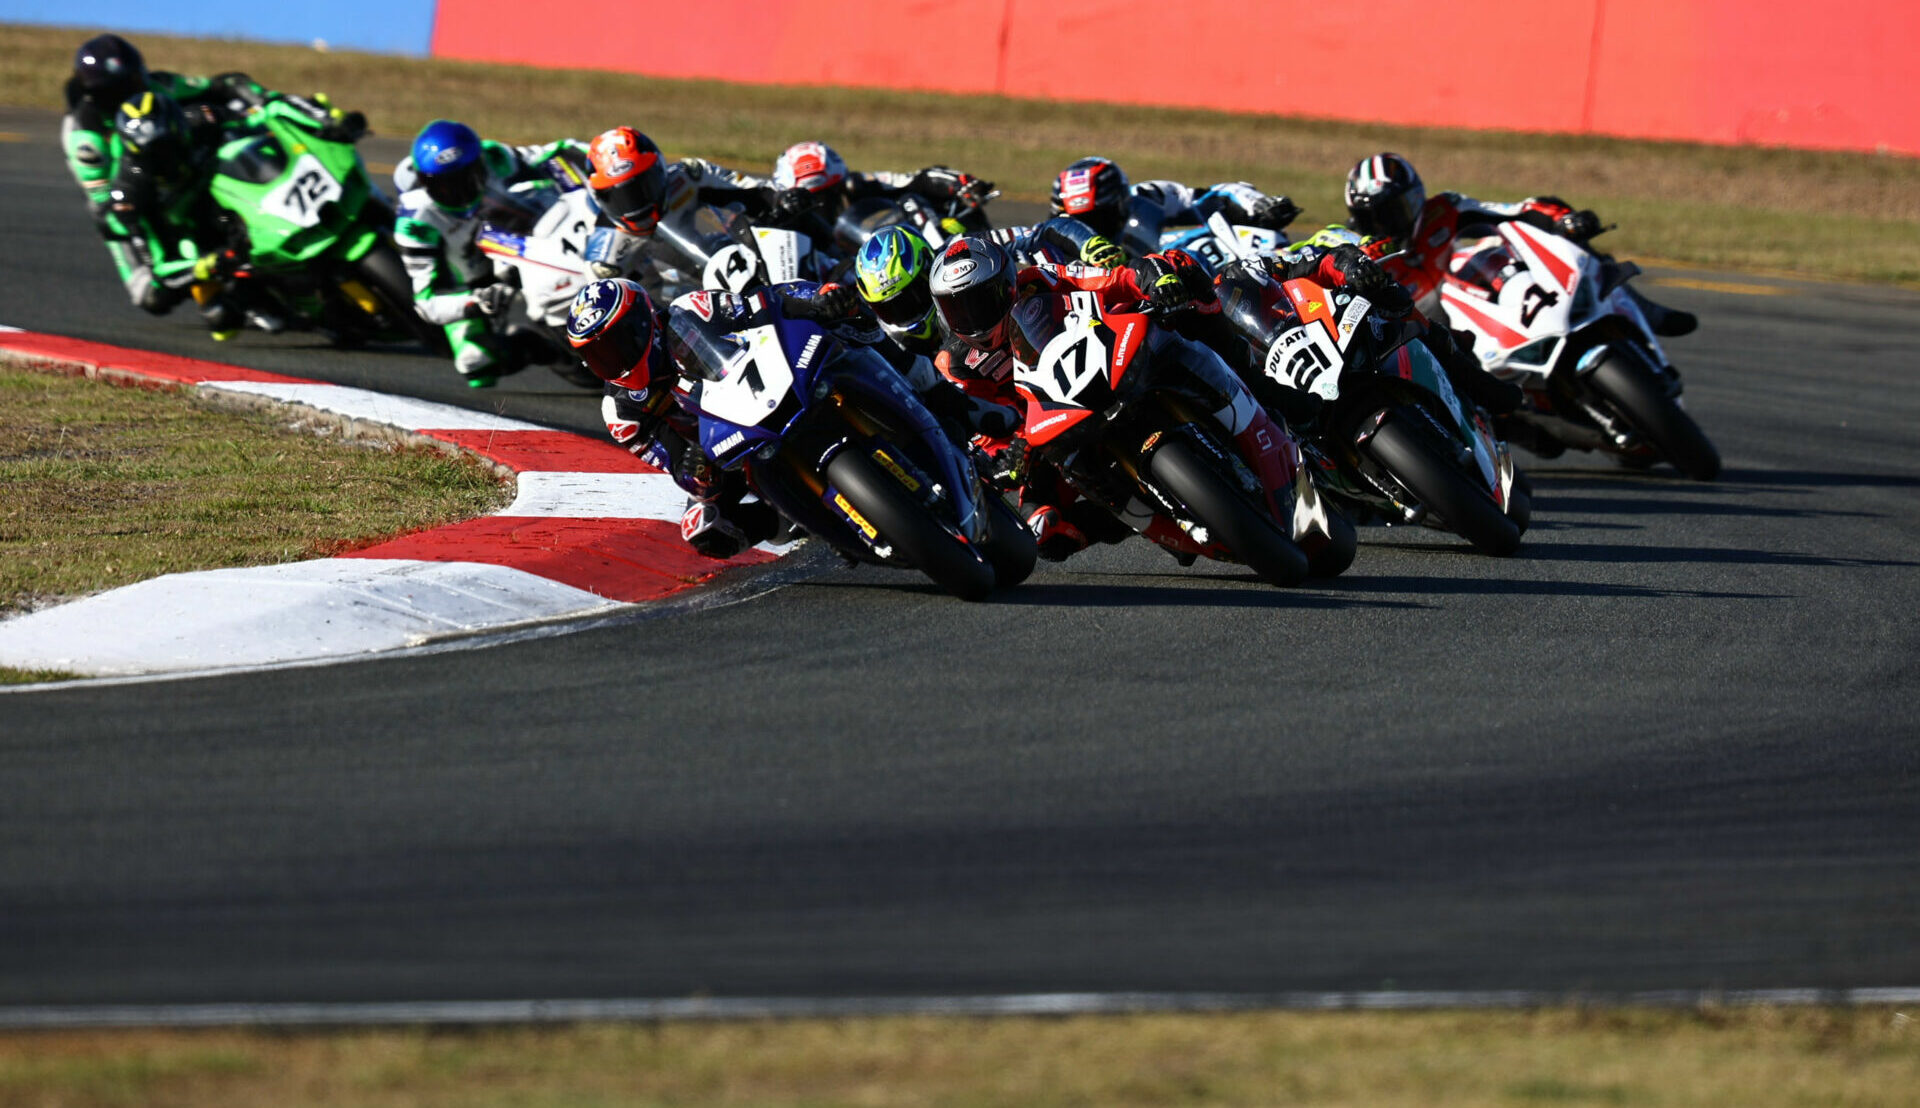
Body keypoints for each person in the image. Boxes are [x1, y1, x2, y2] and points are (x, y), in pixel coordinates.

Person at [927, 235, 1298, 560]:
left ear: (1007, 284)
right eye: (956, 307)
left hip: (1107, 363)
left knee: (1183, 276)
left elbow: (1109, 279)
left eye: (981, 300)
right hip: (1047, 426)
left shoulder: (1040, 280)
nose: (971, 317)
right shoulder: (956, 364)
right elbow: (986, 426)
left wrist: (1150, 279)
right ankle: (1144, 521)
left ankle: (1260, 386)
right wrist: (1005, 455)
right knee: (1043, 528)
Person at [62, 33, 362, 323]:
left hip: (183, 153)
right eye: (122, 89)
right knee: (148, 293)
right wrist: (134, 208)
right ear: (99, 96)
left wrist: (264, 99)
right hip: (134, 187)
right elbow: (106, 210)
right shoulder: (86, 140)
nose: (136, 89)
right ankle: (218, 284)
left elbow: (224, 85)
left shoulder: (158, 87)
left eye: (136, 79)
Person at [1343, 151, 1696, 336]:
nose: (1391, 221)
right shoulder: (1365, 261)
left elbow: (1516, 211)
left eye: (1398, 207)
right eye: (1378, 216)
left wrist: (1560, 218)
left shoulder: (1444, 209)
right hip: (1448, 345)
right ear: (1359, 220)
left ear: (1417, 195)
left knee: (1567, 241)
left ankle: (1647, 311)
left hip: (1501, 303)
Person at [392, 120, 590, 386]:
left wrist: (594, 157)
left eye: (466, 178)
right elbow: (426, 303)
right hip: (475, 282)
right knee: (475, 365)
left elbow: (552, 152)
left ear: (479, 162)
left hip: (525, 238)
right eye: (444, 186)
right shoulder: (414, 222)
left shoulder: (495, 156)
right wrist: (476, 301)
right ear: (424, 182)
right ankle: (547, 351)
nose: (459, 193)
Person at [1049, 155, 1301, 258]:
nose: (1090, 230)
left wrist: (1256, 205)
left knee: (1263, 238)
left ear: (1121, 204)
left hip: (1168, 285)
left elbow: (1210, 197)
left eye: (1098, 218)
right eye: (1076, 222)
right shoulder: (1046, 251)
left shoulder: (1146, 196)